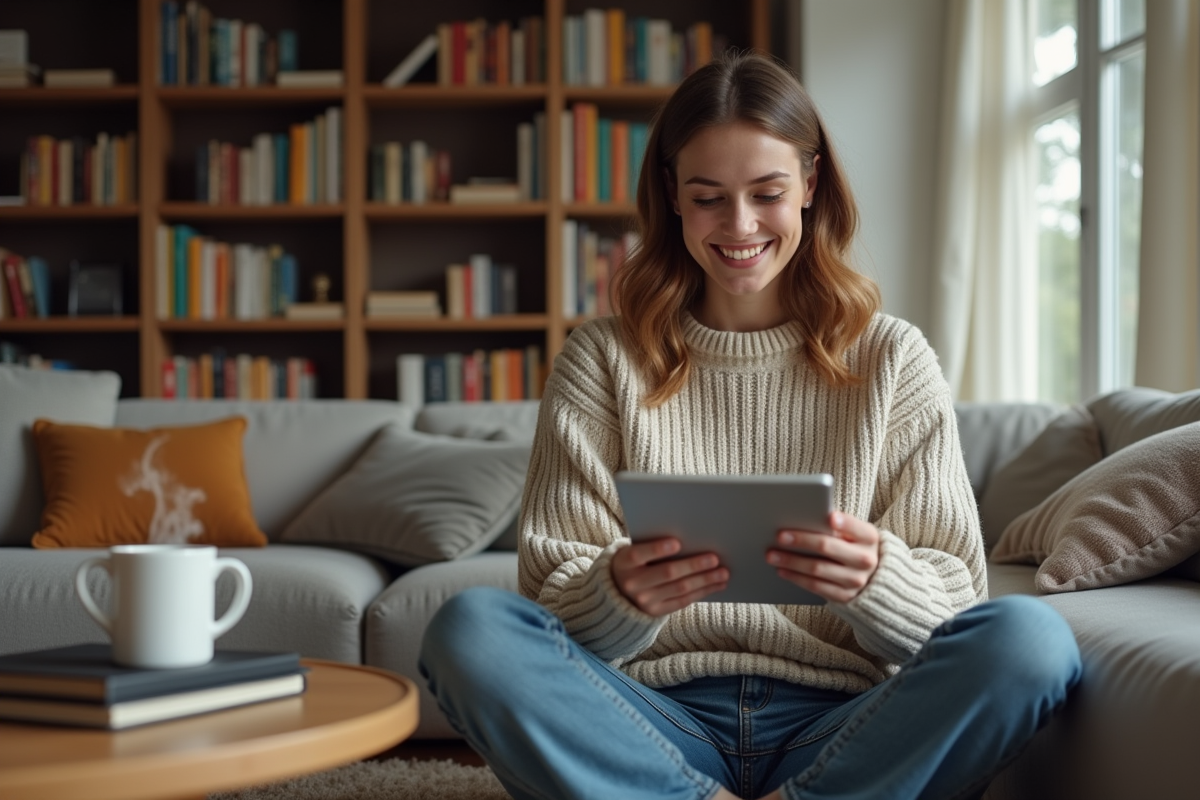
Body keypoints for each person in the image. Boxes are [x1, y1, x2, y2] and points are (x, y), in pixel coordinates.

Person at [420, 51, 1081, 800]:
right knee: (469, 629)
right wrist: (618, 594)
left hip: (844, 727)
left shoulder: (893, 358)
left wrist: (878, 582)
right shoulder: (601, 359)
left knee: (1031, 641)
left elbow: (958, 608)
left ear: (811, 184)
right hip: (650, 721)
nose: (740, 226)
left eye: (767, 193)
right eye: (708, 197)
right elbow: (549, 602)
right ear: (672, 195)